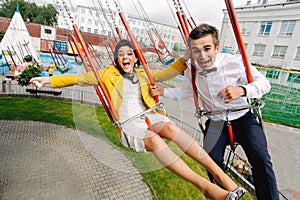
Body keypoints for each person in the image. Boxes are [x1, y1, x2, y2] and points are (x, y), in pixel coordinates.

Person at [30, 39, 245, 200]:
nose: (126, 57)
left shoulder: (143, 73)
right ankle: (207, 188)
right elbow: (73, 78)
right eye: (121, 54)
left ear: (134, 58)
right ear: (117, 59)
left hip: (149, 115)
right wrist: (44, 79)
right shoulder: (105, 75)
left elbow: (167, 72)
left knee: (173, 131)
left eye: (130, 54)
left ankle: (224, 179)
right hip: (129, 123)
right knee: (155, 140)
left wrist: (187, 56)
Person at [151, 24, 279, 200]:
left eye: (207, 48)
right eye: (196, 50)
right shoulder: (192, 69)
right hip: (215, 121)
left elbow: (265, 84)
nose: (202, 56)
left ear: (217, 48)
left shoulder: (235, 62)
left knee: (260, 157)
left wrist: (241, 90)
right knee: (212, 161)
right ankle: (224, 196)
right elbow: (184, 92)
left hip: (242, 117)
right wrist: (162, 91)